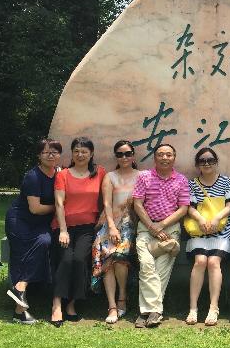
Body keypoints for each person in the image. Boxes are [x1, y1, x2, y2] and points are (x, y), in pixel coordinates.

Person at [5, 138, 62, 324]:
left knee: (45, 242)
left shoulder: (59, 173)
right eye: (46, 152)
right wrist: (60, 208)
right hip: (20, 221)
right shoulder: (33, 176)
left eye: (54, 152)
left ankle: (19, 295)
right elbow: (35, 208)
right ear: (39, 155)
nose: (51, 155)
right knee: (22, 256)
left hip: (40, 224)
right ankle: (20, 309)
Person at [133, 143, 189, 328]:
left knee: (161, 271)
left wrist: (161, 226)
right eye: (161, 154)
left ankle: (147, 313)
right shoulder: (144, 177)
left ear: (174, 157)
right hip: (145, 228)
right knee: (146, 266)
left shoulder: (181, 180)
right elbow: (138, 204)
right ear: (154, 157)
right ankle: (153, 310)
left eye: (169, 155)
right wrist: (152, 227)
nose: (165, 158)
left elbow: (183, 208)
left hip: (170, 230)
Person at [51, 137, 106, 326]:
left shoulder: (99, 173)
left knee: (80, 259)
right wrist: (63, 230)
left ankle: (72, 303)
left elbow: (107, 198)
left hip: (87, 227)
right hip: (64, 226)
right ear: (72, 153)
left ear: (91, 154)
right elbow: (59, 203)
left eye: (84, 151)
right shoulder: (63, 175)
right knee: (66, 259)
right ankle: (57, 303)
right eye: (76, 151)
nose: (80, 154)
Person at [184, 147, 230, 326]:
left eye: (210, 160)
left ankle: (213, 307)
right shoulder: (192, 183)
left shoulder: (225, 181)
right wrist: (200, 219)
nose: (206, 164)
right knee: (200, 261)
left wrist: (216, 218)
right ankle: (193, 308)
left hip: (221, 229)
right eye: (202, 161)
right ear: (197, 164)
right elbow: (190, 207)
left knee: (214, 262)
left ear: (216, 162)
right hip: (199, 228)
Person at [91, 140, 139, 324]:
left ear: (133, 155)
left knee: (119, 257)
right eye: (120, 154)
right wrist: (111, 226)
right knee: (107, 256)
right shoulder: (110, 176)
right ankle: (112, 306)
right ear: (116, 157)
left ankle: (122, 297)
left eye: (127, 153)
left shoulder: (142, 176)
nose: (124, 157)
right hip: (110, 224)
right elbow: (107, 204)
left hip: (131, 225)